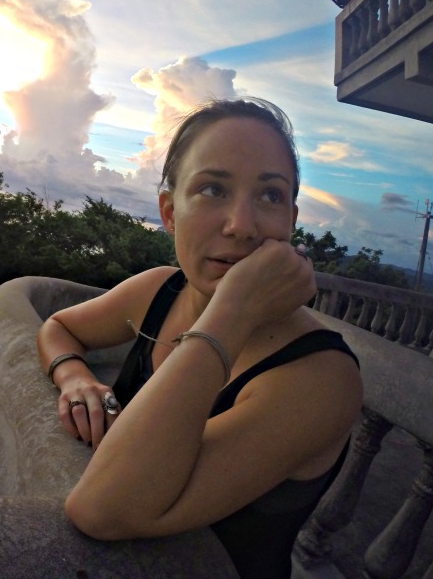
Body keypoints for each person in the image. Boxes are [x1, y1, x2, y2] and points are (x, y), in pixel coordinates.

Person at [37, 98, 361, 579]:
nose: (242, 226)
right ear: (170, 212)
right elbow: (58, 326)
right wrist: (74, 376)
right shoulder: (159, 290)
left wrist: (231, 312)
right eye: (213, 189)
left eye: (270, 196)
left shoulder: (320, 376)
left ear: (290, 221)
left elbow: (103, 509)